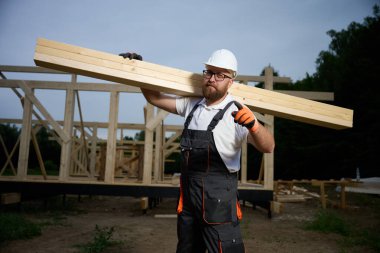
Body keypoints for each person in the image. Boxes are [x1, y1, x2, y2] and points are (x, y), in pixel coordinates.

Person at [133, 49, 275, 252]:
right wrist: (139, 69)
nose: (212, 79)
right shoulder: (192, 105)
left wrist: (254, 125)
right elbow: (155, 98)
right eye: (209, 72)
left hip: (218, 207)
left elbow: (268, 146)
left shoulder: (236, 112)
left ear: (230, 81)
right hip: (189, 204)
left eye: (220, 75)